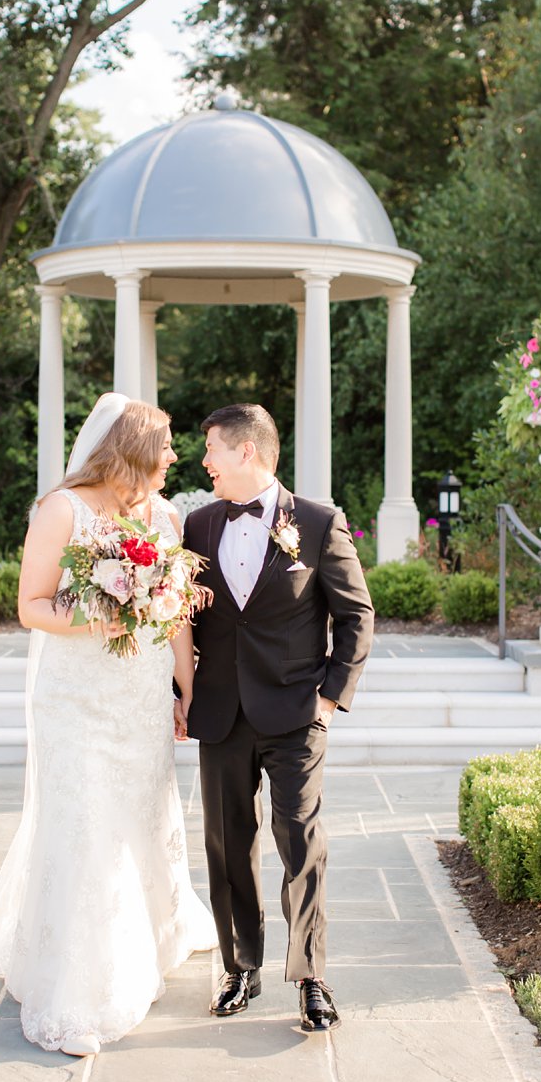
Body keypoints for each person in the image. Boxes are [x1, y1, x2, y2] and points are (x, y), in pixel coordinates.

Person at [0, 392, 218, 1056]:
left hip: (137, 694)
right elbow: (30, 605)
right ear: (131, 450)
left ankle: (152, 938)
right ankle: (77, 993)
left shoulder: (164, 514)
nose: (174, 455)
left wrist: (185, 690)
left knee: (137, 816)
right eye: (164, 445)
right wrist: (94, 616)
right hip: (75, 697)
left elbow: (177, 614)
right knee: (84, 826)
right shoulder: (62, 509)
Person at [177, 403, 373, 1032]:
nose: (203, 461)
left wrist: (329, 697)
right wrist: (178, 692)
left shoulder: (317, 522)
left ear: (246, 453)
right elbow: (183, 619)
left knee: (300, 841)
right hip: (221, 713)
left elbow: (356, 614)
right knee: (227, 843)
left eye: (211, 449)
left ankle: (312, 976)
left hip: (294, 712)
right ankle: (241, 966)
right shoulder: (198, 526)